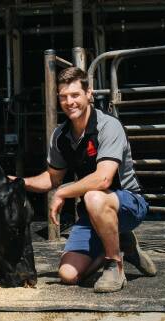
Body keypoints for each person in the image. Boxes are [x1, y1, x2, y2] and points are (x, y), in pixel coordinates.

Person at [10, 67, 156, 293]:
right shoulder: (60, 135)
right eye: (64, 97)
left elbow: (104, 179)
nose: (70, 102)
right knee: (68, 275)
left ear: (89, 94)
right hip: (93, 213)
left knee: (94, 196)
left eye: (75, 95)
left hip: (129, 204)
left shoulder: (108, 126)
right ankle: (122, 244)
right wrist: (19, 182)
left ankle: (114, 265)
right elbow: (52, 177)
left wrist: (62, 192)